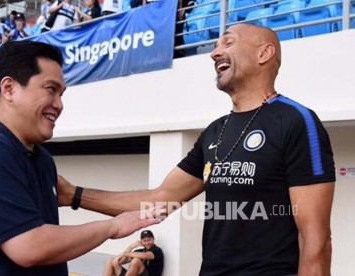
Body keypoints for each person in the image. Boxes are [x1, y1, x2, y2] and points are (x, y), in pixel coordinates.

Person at [58, 23, 335, 275]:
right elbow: (161, 199)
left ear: (264, 53)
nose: (214, 53)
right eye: (215, 46)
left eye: (228, 43)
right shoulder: (215, 132)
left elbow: (316, 240)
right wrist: (75, 195)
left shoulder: (297, 122)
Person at [0, 40, 162, 275]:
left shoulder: (40, 159)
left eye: (62, 93)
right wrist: (113, 226)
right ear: (9, 89)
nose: (59, 105)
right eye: (51, 90)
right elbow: (30, 247)